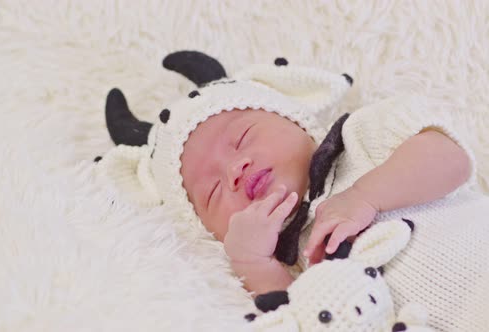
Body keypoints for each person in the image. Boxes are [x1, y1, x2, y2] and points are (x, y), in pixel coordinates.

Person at [101, 51, 489, 331]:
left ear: (294, 119)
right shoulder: (290, 259)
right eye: (213, 191)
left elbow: (451, 158)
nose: (235, 171)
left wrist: (365, 197)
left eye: (242, 138)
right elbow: (299, 316)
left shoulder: (357, 142)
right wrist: (254, 262)